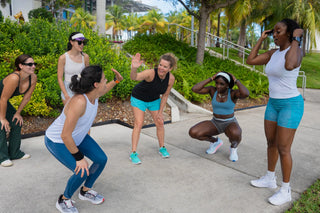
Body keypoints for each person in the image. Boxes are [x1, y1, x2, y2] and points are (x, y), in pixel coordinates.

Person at [45, 65, 123, 213]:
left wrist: (116, 81)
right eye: (104, 79)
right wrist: (79, 157)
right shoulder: (79, 102)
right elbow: (65, 135)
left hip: (77, 138)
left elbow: (105, 89)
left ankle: (85, 191)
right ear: (95, 84)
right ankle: (64, 199)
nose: (106, 81)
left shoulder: (94, 95)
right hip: (57, 141)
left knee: (101, 159)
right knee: (82, 170)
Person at [246, 18, 304, 206]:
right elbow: (251, 60)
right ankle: (270, 178)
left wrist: (296, 40)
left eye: (278, 32)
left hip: (290, 105)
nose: (275, 35)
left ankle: (285, 189)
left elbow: (289, 65)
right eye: (274, 32)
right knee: (271, 143)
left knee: (283, 148)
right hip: (273, 104)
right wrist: (261, 39)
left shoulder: (297, 51)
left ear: (289, 33)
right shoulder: (272, 53)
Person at [189, 71, 249, 162]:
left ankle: (233, 148)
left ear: (228, 85)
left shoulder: (233, 93)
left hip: (230, 122)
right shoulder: (212, 91)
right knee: (193, 132)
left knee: (236, 134)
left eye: (222, 84)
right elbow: (195, 89)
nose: (218, 86)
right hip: (216, 122)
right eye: (216, 83)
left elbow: (245, 94)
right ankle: (215, 142)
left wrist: (236, 81)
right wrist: (211, 78)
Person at [129, 53, 177, 164]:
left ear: (170, 68)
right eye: (160, 65)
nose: (161, 68)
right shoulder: (150, 73)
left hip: (154, 100)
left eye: (165, 66)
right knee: (139, 123)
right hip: (139, 98)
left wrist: (160, 113)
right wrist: (134, 68)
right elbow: (134, 77)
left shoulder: (170, 79)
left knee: (160, 122)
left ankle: (162, 148)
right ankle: (133, 153)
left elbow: (165, 96)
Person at [0, 54, 37, 167]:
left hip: (1, 101)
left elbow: (27, 97)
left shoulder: (33, 77)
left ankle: (15, 153)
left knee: (17, 122)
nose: (33, 66)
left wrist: (17, 113)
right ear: (20, 65)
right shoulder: (14, 78)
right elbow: (4, 98)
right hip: (1, 100)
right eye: (29, 64)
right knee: (1, 125)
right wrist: (2, 118)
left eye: (34, 64)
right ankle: (3, 157)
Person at [58, 32, 90, 105]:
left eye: (83, 42)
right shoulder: (63, 58)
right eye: (79, 42)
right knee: (69, 114)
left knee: (82, 114)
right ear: (71, 42)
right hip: (67, 90)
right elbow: (60, 78)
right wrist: (66, 94)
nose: (82, 45)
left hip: (81, 89)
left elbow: (87, 75)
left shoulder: (85, 57)